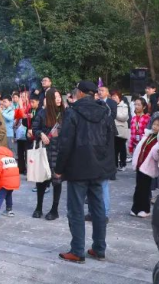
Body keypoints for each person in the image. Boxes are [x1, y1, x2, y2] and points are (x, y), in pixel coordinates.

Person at [56, 81, 116, 263]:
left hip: (78, 167)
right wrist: (108, 168)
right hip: (98, 167)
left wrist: (59, 169)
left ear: (80, 93)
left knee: (76, 210)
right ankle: (99, 248)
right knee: (98, 210)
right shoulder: (105, 112)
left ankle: (77, 250)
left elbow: (65, 143)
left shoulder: (73, 112)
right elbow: (110, 141)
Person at [32, 88, 64, 220]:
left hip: (58, 151)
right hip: (44, 151)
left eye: (59, 97)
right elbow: (34, 128)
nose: (58, 99)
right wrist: (41, 134)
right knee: (41, 181)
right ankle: (38, 207)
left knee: (57, 181)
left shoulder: (65, 114)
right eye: (55, 97)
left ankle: (54, 210)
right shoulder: (42, 113)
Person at [131, 115, 159, 217]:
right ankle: (135, 208)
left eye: (158, 125)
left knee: (145, 189)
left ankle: (145, 209)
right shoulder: (148, 135)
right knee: (138, 188)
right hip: (140, 165)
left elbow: (155, 156)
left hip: (148, 167)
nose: (155, 127)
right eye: (154, 124)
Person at [113, 90, 131, 171]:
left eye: (115, 96)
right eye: (112, 96)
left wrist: (113, 112)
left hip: (121, 130)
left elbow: (124, 117)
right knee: (114, 149)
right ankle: (115, 165)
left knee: (121, 148)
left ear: (119, 97)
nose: (113, 98)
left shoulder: (124, 105)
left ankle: (123, 164)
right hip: (113, 129)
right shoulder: (110, 105)